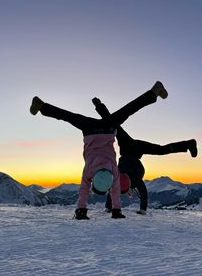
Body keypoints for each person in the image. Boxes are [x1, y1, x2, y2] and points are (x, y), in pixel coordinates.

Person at [30, 81, 168, 220]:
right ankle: (41, 106)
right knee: (69, 116)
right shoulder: (89, 171)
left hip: (108, 129)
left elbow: (115, 190)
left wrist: (116, 210)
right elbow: (84, 190)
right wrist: (81, 210)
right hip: (89, 130)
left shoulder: (113, 171)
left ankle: (154, 92)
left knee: (127, 110)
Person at [92, 97, 198, 215]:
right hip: (128, 146)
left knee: (113, 124)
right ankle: (188, 144)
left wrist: (109, 207)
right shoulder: (120, 177)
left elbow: (135, 192)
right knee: (113, 124)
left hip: (134, 149)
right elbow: (135, 192)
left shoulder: (131, 179)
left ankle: (188, 144)